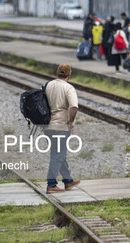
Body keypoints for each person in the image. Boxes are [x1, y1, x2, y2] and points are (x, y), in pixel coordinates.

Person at [44, 64, 81, 193]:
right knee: (57, 155)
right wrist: (71, 121)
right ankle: (51, 184)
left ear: (57, 73)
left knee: (59, 154)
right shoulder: (68, 88)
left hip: (48, 126)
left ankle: (68, 181)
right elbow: (74, 107)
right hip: (61, 126)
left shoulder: (49, 85)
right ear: (69, 75)